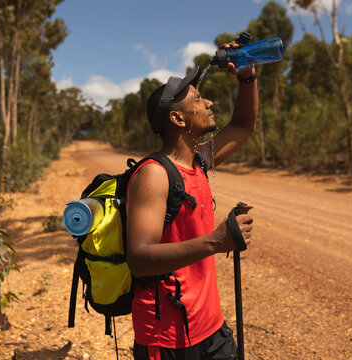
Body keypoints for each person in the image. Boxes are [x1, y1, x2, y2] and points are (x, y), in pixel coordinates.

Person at [126, 37, 258, 360]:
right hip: (168, 339)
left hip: (210, 327)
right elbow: (139, 260)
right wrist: (216, 241)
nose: (209, 102)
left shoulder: (200, 160)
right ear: (178, 119)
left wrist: (247, 77)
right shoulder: (154, 174)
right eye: (198, 99)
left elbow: (242, 125)